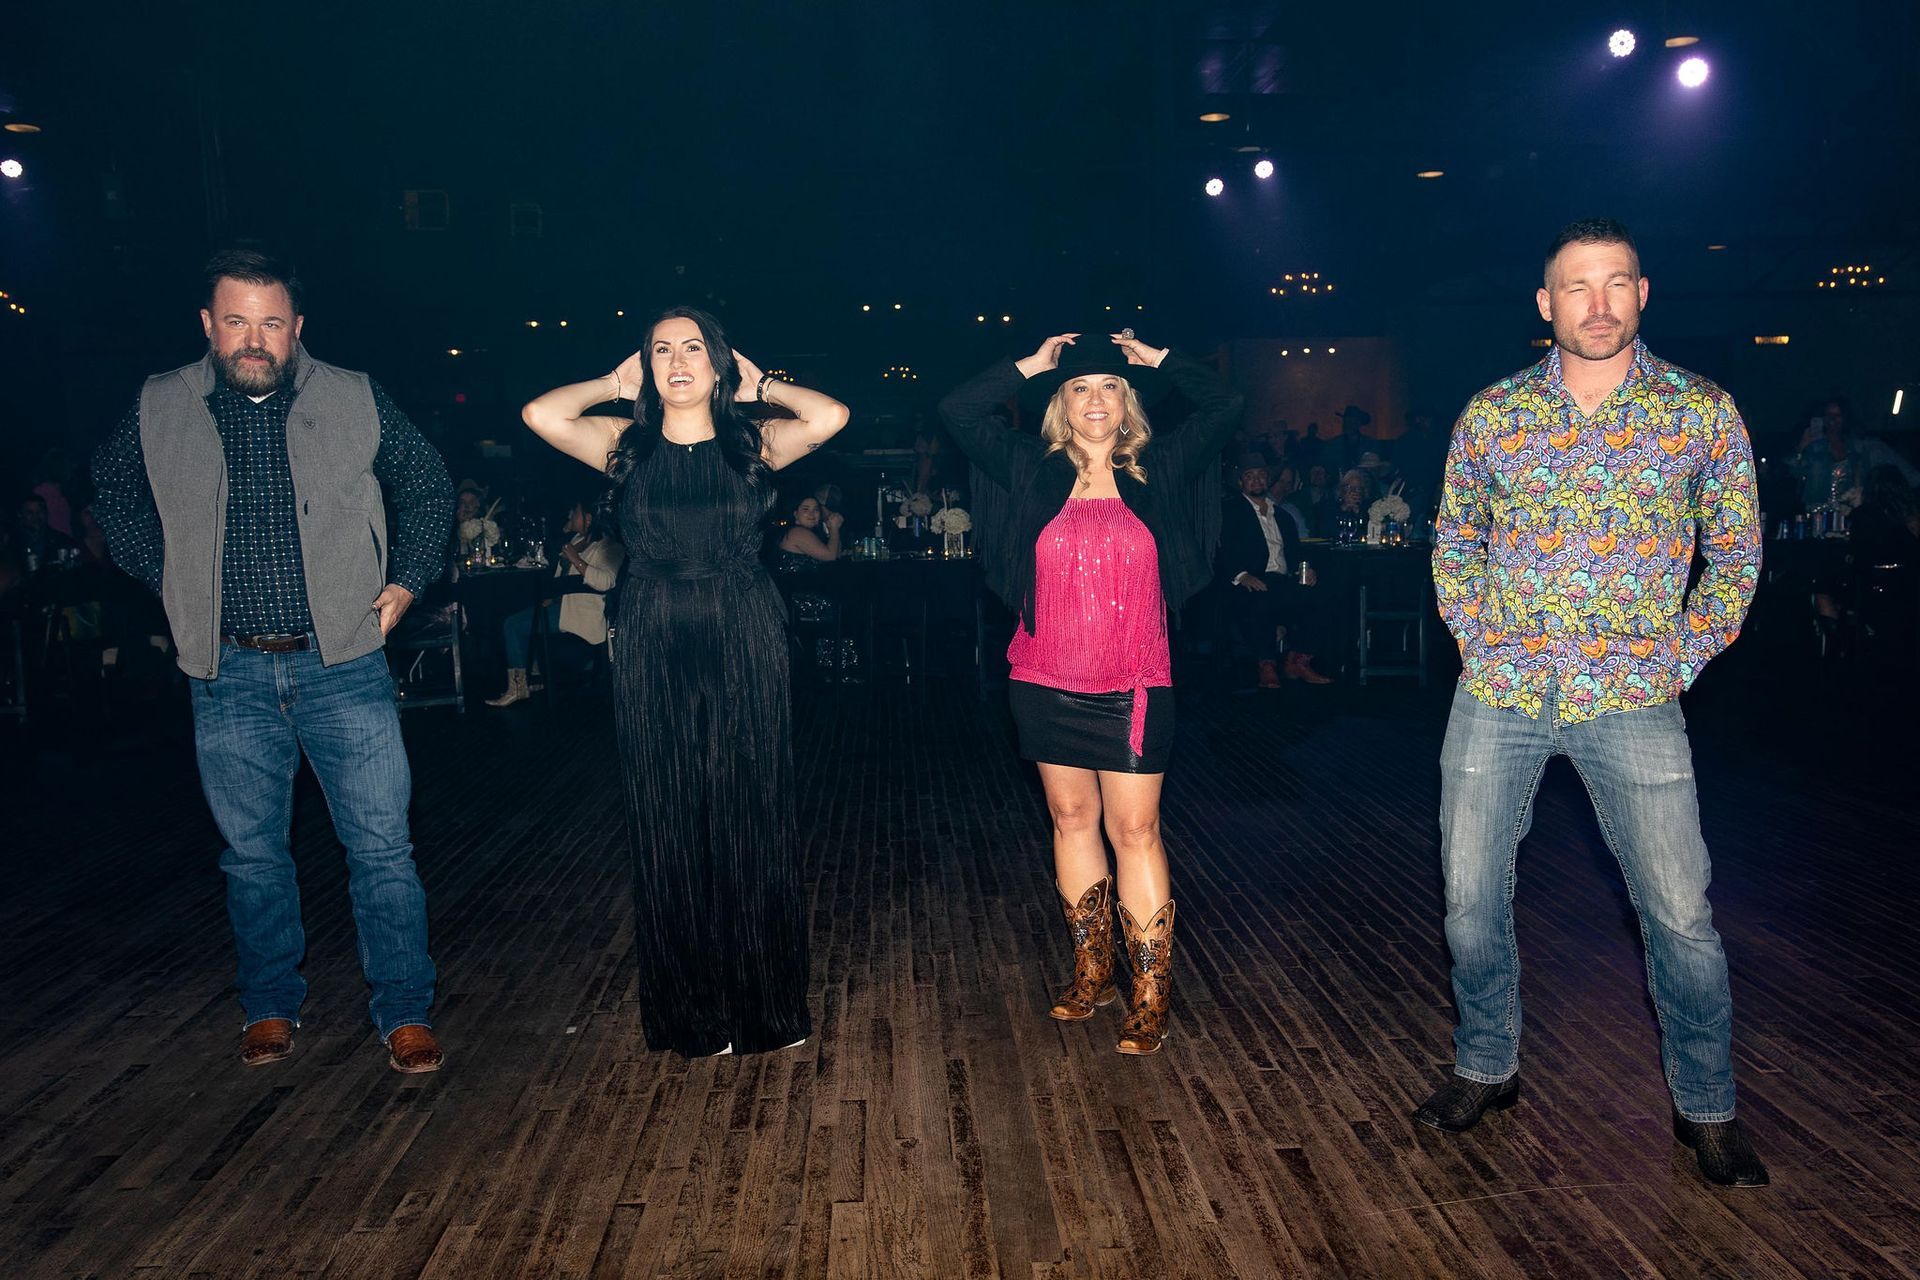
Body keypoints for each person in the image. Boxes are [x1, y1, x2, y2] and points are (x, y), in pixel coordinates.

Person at [1422, 218, 1767, 1187]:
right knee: (1469, 901)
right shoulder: (1493, 415)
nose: (1599, 302)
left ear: (1644, 293)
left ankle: (1708, 1106)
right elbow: (1455, 542)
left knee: (1680, 914)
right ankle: (1486, 1064)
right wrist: (1478, 636)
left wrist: (1682, 656)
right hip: (1501, 690)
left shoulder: (1699, 411)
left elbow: (1735, 555)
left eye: (1616, 282)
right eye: (1577, 286)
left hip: (1634, 698)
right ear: (1546, 304)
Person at [91, 248, 453, 1073]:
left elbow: (427, 484)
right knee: (251, 854)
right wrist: (166, 576)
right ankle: (268, 1005)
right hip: (228, 673)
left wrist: (406, 580)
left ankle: (403, 1010)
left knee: (383, 850)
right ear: (209, 326)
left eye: (271, 322)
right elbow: (111, 488)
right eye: (236, 320)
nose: (254, 338)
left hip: (345, 663)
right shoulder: (160, 403)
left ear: (296, 329)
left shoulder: (355, 395)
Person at [520, 306, 848, 1057]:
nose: (676, 360)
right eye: (660, 349)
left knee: (751, 807)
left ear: (718, 363)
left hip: (744, 624)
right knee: (667, 812)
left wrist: (762, 382)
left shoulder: (753, 443)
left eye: (693, 348)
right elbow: (541, 411)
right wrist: (610, 381)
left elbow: (831, 413)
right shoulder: (620, 445)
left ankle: (765, 1006)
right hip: (652, 627)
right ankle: (688, 1014)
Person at [939, 329, 1243, 1056]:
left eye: (1109, 385)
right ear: (1059, 402)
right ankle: (1092, 971)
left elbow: (1226, 402)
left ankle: (1149, 990)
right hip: (1044, 679)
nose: (1095, 399)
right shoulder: (1028, 469)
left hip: (1136, 680)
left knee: (1135, 830)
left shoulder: (1161, 467)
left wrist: (1162, 355)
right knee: (1072, 819)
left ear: (1128, 398)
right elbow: (957, 410)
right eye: (1079, 387)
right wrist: (1032, 362)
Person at [486, 499, 624, 706]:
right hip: (562, 609)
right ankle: (532, 678)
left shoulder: (609, 546)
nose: (569, 514)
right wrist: (552, 596)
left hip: (582, 616)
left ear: (588, 519)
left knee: (513, 626)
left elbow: (606, 581)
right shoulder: (576, 540)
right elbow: (561, 581)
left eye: (574, 511)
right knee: (516, 618)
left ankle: (519, 687)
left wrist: (576, 559)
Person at [1218, 457, 1331, 687]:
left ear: (1268, 479)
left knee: (1322, 597)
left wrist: (1307, 570)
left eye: (1261, 474)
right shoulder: (1229, 511)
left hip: (1282, 579)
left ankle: (1297, 660)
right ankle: (1266, 665)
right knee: (1259, 601)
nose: (1257, 480)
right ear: (1241, 482)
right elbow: (1220, 549)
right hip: (1250, 579)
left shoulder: (1282, 516)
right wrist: (1241, 575)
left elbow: (1296, 552)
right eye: (1250, 475)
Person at [1786, 396, 1918, 512]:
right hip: (1818, 517)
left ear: (1845, 418)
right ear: (1822, 418)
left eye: (1837, 415)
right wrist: (1801, 446)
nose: (1833, 419)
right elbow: (1792, 472)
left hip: (1850, 515)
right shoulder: (1814, 448)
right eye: (1828, 415)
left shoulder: (1859, 448)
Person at [777, 495, 844, 568]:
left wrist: (832, 528)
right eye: (806, 509)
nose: (812, 514)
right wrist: (834, 529)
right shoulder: (797, 532)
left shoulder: (811, 532)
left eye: (816, 509)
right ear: (795, 514)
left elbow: (837, 555)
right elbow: (830, 557)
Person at [14, 494, 79, 568]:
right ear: (20, 514)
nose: (36, 516)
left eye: (40, 511)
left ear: (46, 513)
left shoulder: (62, 541)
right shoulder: (12, 543)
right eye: (30, 513)